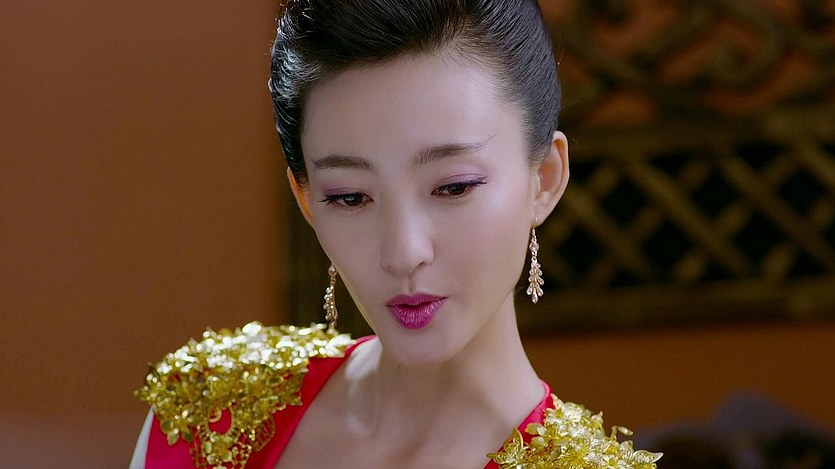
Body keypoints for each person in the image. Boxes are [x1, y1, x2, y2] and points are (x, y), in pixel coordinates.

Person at [131, 0, 662, 467]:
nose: (404, 252)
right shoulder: (205, 416)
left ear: (543, 179)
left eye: (453, 187)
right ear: (306, 198)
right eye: (350, 197)